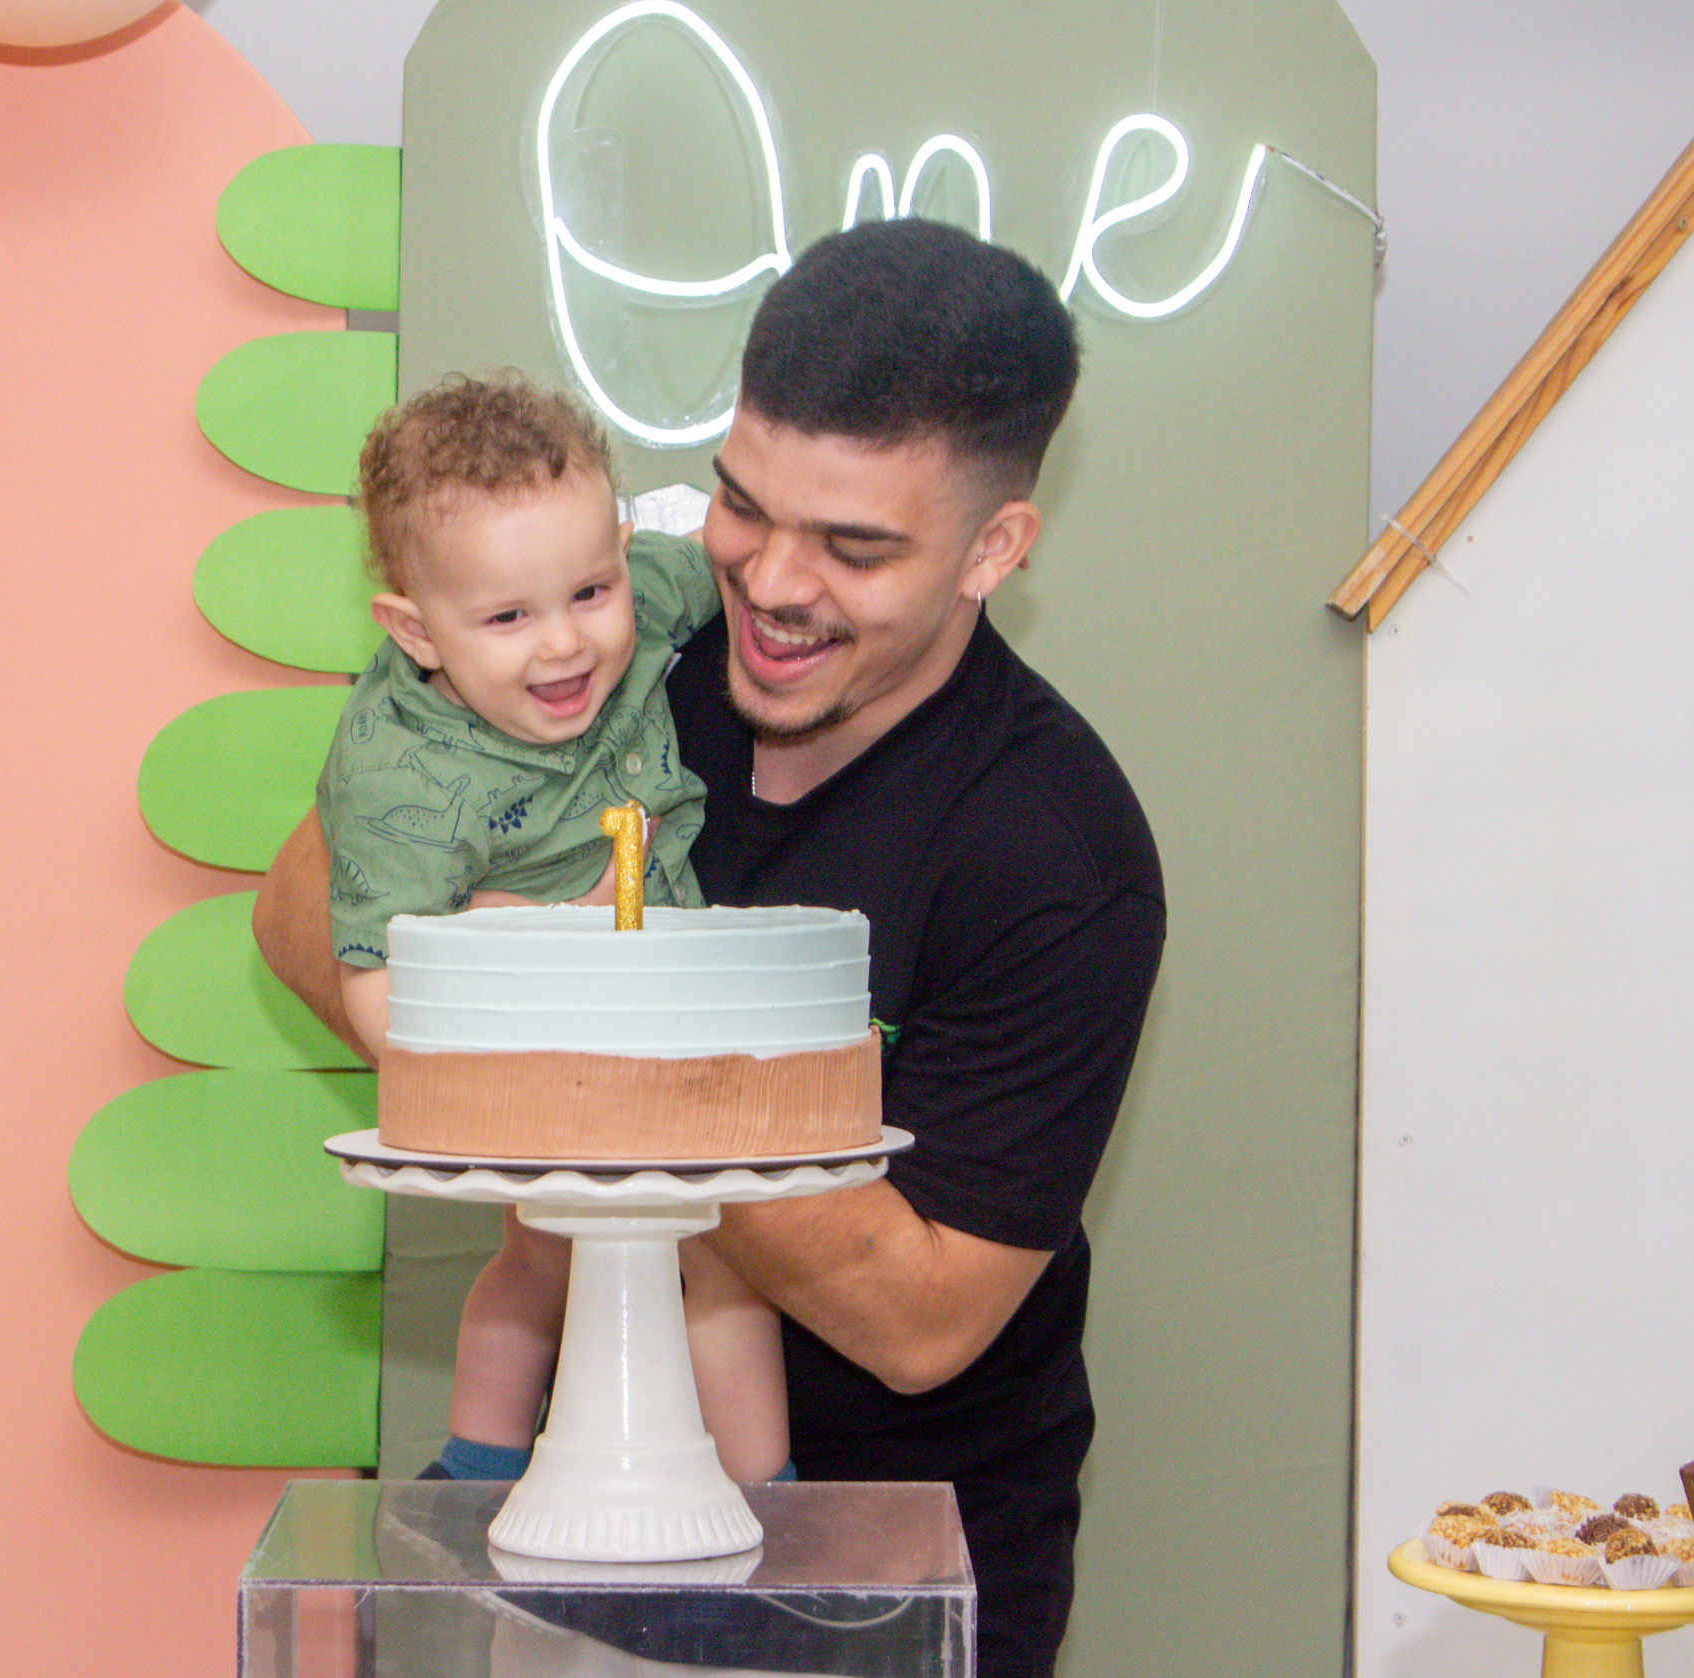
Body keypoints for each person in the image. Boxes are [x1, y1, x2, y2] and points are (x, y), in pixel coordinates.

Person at [255, 218, 1164, 1678]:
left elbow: (920, 1315)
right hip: (576, 1526)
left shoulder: (1056, 854)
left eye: (855, 546)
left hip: (892, 1571)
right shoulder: (604, 644)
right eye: (743, 507)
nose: (773, 582)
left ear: (995, 546)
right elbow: (302, 911)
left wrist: (575, 1034)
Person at [322, 372, 793, 1487]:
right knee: (535, 1255)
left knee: (722, 1265)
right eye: (504, 617)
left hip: (665, 1010)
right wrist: (508, 1012)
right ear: (413, 630)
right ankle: (475, 1467)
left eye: (589, 590)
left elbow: (731, 580)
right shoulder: (400, 778)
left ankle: (773, 1514)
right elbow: (375, 990)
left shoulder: (651, 596)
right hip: (530, 1044)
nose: (564, 647)